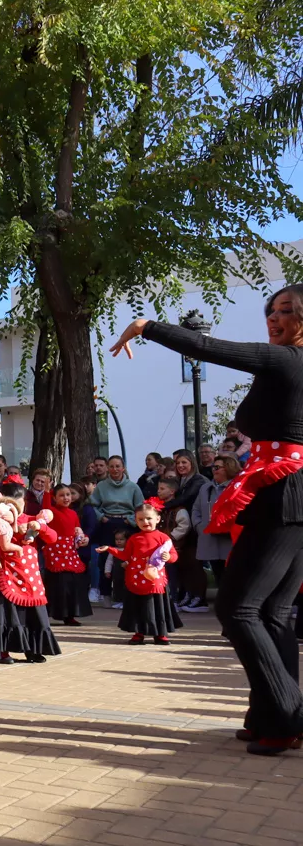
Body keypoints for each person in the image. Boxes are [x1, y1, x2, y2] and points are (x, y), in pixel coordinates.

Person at [113, 298, 303, 753]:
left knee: (237, 609)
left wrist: (146, 326)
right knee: (272, 612)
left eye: (285, 311)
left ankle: (286, 715)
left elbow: (209, 347)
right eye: (269, 313)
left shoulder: (285, 359)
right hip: (285, 489)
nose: (273, 320)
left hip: (281, 492)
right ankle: (269, 716)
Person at [0, 481, 60, 663]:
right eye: (9, 503)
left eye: (18, 503)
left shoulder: (31, 519)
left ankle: (33, 649)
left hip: (30, 575)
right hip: (7, 572)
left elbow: (53, 538)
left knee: (34, 612)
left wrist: (40, 527)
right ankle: (2, 650)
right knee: (8, 613)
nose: (14, 508)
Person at [98, 498, 182, 645]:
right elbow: (125, 555)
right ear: (136, 521)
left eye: (149, 518)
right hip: (137, 579)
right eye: (141, 519)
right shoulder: (134, 539)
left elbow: (174, 556)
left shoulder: (163, 538)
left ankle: (160, 633)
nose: (145, 522)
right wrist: (110, 549)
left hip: (155, 581)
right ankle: (139, 633)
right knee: (138, 606)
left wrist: (169, 557)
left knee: (157, 607)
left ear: (157, 518)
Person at [89, 455, 144, 602]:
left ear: (123, 468)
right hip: (108, 522)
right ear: (108, 468)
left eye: (117, 466)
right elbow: (93, 505)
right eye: (111, 466)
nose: (114, 469)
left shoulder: (133, 487)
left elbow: (140, 507)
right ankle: (105, 593)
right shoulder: (101, 486)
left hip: (126, 524)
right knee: (105, 557)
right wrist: (101, 517)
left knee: (128, 557)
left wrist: (131, 519)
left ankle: (129, 593)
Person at [42, 483, 91, 626]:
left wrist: (83, 538)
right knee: (58, 583)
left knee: (73, 583)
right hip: (56, 551)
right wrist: (46, 492)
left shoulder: (73, 513)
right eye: (62, 495)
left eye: (68, 494)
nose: (66, 498)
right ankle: (54, 613)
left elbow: (78, 530)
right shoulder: (51, 511)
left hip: (70, 551)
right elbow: (45, 509)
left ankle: (70, 614)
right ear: (54, 498)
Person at [192, 454, 240, 591]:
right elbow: (196, 509)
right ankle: (223, 603)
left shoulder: (237, 487)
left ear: (228, 468)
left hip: (229, 539)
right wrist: (199, 525)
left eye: (217, 467)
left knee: (231, 573)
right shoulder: (205, 488)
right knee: (217, 572)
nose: (214, 470)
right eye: (213, 467)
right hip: (209, 538)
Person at [168, 451, 207, 609]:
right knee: (184, 564)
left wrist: (161, 506)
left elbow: (185, 499)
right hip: (184, 527)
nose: (181, 466)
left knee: (194, 563)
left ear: (192, 463)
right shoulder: (181, 480)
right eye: (178, 463)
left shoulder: (198, 480)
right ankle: (189, 594)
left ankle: (200, 597)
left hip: (195, 528)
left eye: (184, 462)